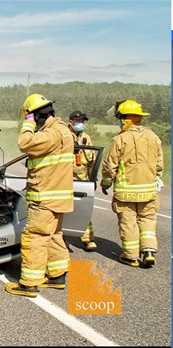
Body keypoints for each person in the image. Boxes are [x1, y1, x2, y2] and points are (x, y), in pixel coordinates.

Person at [5, 94, 74, 298]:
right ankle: (57, 276)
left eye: (31, 118)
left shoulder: (50, 134)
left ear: (35, 116)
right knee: (53, 235)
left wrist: (27, 125)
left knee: (34, 237)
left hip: (45, 196)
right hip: (59, 197)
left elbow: (24, 144)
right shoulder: (64, 131)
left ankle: (29, 284)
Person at [100, 99, 163, 268]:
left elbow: (109, 165)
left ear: (124, 118)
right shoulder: (153, 137)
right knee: (148, 219)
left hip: (126, 192)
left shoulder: (120, 140)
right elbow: (159, 165)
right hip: (149, 191)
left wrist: (105, 183)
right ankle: (149, 250)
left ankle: (131, 256)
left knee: (128, 222)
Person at [68, 110, 97, 251]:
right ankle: (62, 241)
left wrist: (93, 178)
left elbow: (92, 159)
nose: (81, 124)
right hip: (66, 179)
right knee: (64, 211)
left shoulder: (86, 137)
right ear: (70, 122)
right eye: (78, 122)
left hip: (82, 179)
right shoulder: (65, 136)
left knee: (83, 211)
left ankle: (88, 239)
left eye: (83, 122)